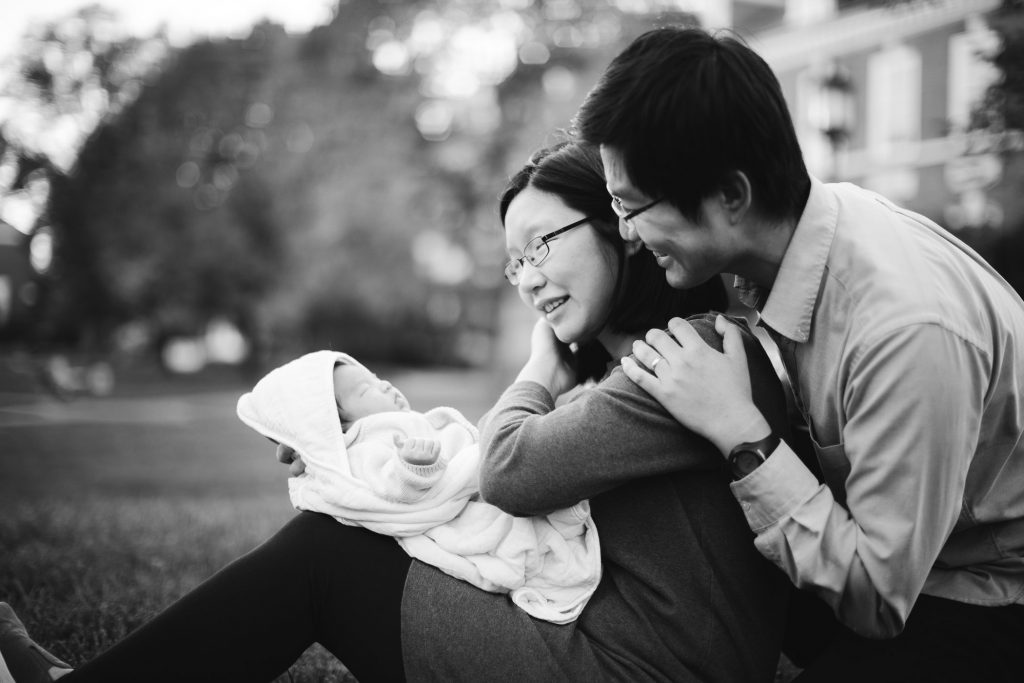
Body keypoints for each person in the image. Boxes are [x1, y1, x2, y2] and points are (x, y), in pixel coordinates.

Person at [0, 140, 790, 683]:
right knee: (336, 540)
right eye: (514, 260)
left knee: (324, 561)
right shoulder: (640, 366)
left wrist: (535, 369)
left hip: (636, 670)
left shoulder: (679, 360)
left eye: (542, 244)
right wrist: (353, 448)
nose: (528, 277)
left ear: (618, 224)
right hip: (613, 649)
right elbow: (477, 499)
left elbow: (511, 471)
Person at [574, 25, 1024, 682]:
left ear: (731, 196)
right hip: (908, 556)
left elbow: (878, 594)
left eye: (631, 205)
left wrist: (740, 432)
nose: (625, 233)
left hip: (982, 591)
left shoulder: (904, 328)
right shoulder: (789, 245)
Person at [237, 349, 601, 624]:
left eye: (377, 377)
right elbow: (385, 486)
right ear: (338, 426)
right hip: (455, 506)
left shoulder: (400, 423)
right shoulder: (367, 440)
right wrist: (412, 468)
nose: (383, 385)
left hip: (482, 489)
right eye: (366, 390)